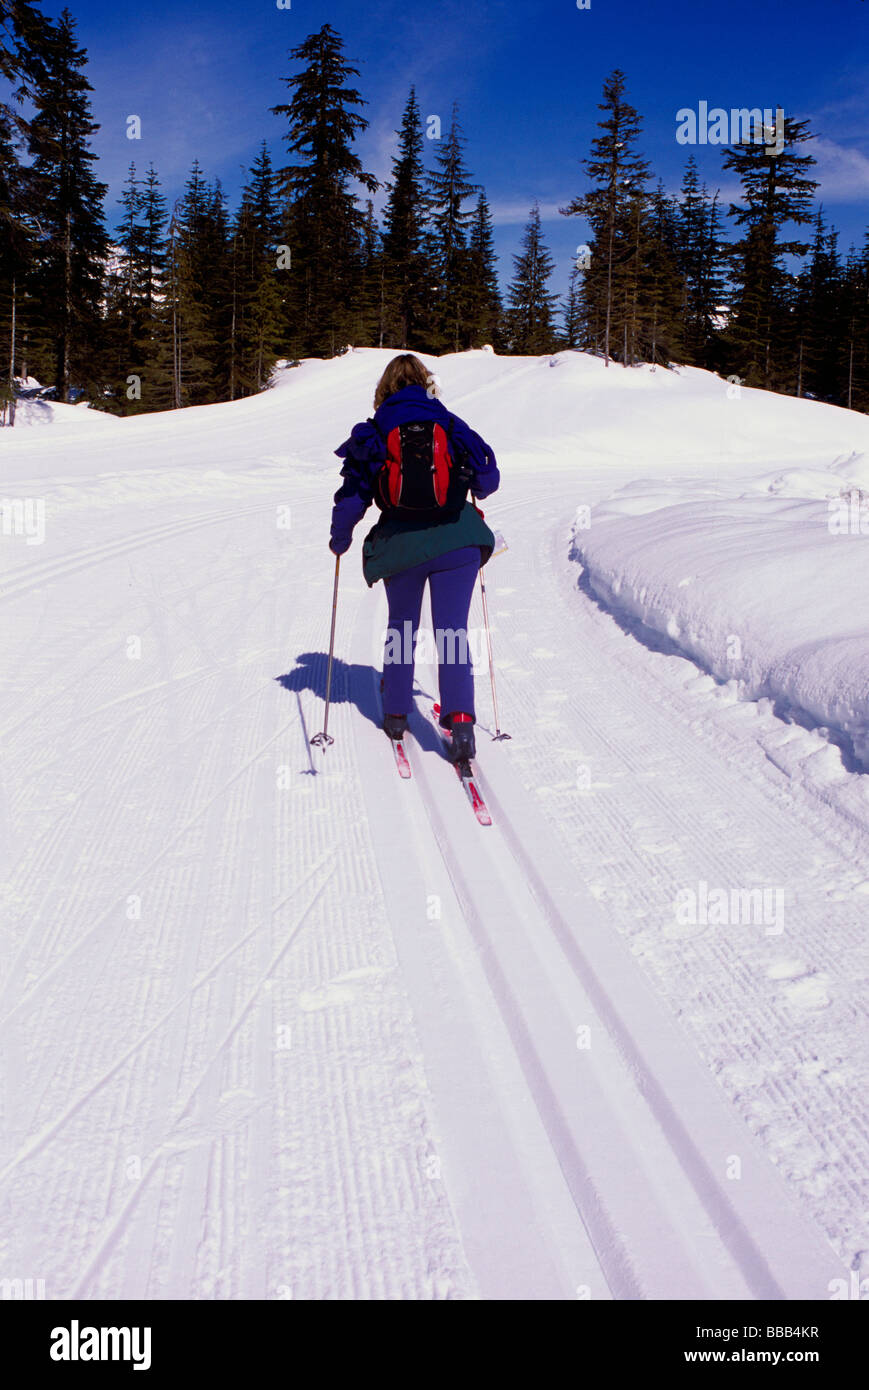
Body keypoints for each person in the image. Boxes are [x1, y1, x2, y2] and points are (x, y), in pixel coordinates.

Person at [329, 353, 500, 761]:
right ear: (426, 383)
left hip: (402, 545)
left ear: (384, 389)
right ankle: (461, 723)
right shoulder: (451, 423)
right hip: (457, 543)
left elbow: (354, 494)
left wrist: (340, 536)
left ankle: (395, 715)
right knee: (453, 632)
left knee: (401, 627)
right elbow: (489, 480)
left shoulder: (374, 432)